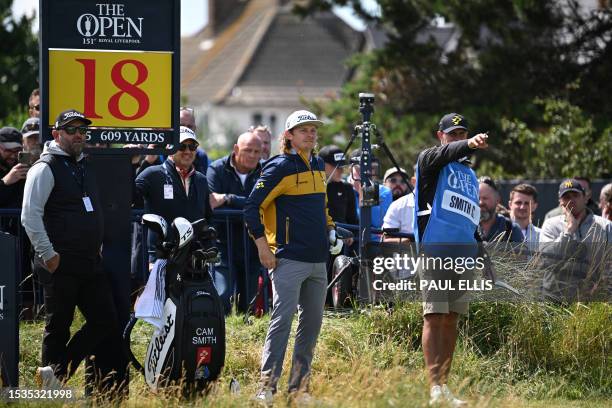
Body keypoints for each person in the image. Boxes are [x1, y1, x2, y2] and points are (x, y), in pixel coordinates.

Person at [245, 110, 342, 404]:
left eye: (313, 130)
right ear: (288, 135)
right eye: (304, 130)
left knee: (311, 326)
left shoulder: (315, 163)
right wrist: (263, 247)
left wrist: (331, 229)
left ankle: (299, 389)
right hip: (287, 258)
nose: (310, 135)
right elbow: (251, 207)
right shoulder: (279, 167)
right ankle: (266, 388)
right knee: (281, 323)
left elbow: (321, 206)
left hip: (317, 260)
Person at [21, 109, 120, 389]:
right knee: (58, 327)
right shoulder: (45, 167)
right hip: (60, 263)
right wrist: (49, 255)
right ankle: (47, 389)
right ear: (56, 134)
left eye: (82, 131)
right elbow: (30, 216)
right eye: (71, 130)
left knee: (105, 320)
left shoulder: (83, 164)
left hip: (88, 262)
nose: (78, 135)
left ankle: (56, 376)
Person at [412, 113, 489, 406]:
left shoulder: (470, 176)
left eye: (462, 133)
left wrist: (484, 258)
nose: (457, 138)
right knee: (434, 315)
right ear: (440, 136)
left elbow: (471, 219)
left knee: (451, 318)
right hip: (435, 250)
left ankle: (444, 386)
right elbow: (448, 152)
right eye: (453, 134)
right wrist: (469, 143)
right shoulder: (430, 161)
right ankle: (434, 389)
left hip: (463, 255)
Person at [134, 126, 213, 265]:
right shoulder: (152, 173)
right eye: (182, 146)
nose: (188, 151)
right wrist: (138, 163)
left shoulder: (201, 179)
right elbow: (130, 198)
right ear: (170, 148)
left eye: (192, 146)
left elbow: (207, 217)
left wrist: (209, 247)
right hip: (161, 257)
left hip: (193, 258)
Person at [207, 131, 263, 313]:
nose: (253, 155)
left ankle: (245, 337)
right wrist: (248, 206)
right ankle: (220, 335)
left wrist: (229, 198)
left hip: (254, 245)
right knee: (222, 295)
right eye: (248, 150)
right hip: (224, 244)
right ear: (236, 149)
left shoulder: (265, 172)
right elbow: (212, 202)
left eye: (257, 151)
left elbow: (263, 204)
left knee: (249, 303)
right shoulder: (216, 169)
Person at [539, 179, 611, 302]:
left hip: (594, 301)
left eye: (575, 195)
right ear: (560, 201)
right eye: (566, 197)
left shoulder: (605, 226)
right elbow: (547, 260)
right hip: (556, 301)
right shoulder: (550, 225)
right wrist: (568, 232)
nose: (571, 200)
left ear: (585, 198)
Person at [318, 145, 357, 226]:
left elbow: (352, 220)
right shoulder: (312, 188)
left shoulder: (347, 188)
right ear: (322, 164)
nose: (341, 170)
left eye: (342, 166)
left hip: (343, 235)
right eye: (336, 166)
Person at [478, 176, 523, 243]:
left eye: (485, 198)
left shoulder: (510, 229)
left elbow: (520, 253)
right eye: (477, 198)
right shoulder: (465, 227)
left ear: (497, 200)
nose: (481, 202)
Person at [0, 127, 28, 233]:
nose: (13, 155)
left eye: (17, 151)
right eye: (8, 150)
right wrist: (5, 182)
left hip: (19, 234)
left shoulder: (22, 165)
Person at [508, 183, 541, 252]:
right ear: (510, 204)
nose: (522, 207)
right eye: (518, 202)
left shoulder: (541, 235)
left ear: (534, 206)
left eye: (527, 203)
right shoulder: (500, 231)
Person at [180, 106, 209, 174]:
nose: (186, 129)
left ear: (195, 128)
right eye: (181, 125)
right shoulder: (162, 152)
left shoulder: (201, 156)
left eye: (189, 126)